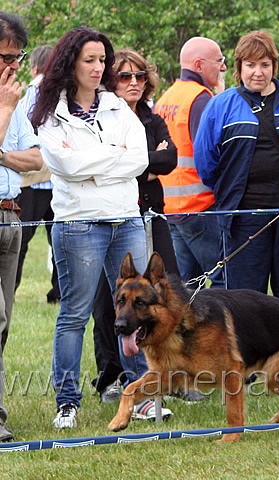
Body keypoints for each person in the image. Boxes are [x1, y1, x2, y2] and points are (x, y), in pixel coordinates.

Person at [31, 27, 170, 428]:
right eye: (89, 60)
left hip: (126, 219)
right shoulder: (49, 111)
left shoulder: (117, 106)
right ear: (69, 62)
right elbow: (67, 167)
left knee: (139, 309)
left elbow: (140, 159)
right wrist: (113, 160)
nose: (98, 68)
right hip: (78, 225)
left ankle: (139, 394)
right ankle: (67, 403)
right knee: (74, 314)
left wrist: (97, 165)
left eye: (102, 60)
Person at [194, 31, 279, 316]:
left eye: (264, 64)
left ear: (274, 65)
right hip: (243, 221)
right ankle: (250, 361)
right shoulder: (220, 106)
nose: (258, 72)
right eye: (250, 65)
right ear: (238, 68)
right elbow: (206, 164)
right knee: (244, 305)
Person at [90, 49, 180, 404]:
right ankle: (111, 377)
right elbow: (105, 165)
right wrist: (142, 163)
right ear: (111, 80)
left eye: (140, 77)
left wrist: (131, 161)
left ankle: (168, 376)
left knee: (166, 294)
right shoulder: (100, 117)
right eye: (125, 77)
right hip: (112, 218)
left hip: (153, 217)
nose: (134, 83)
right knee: (108, 303)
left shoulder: (152, 118)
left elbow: (169, 159)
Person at [0, 12, 43, 442]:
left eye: (19, 57)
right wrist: (7, 109)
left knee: (6, 322)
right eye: (7, 57)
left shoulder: (15, 101)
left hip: (12, 216)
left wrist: (5, 156)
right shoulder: (10, 102)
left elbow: (37, 160)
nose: (14, 66)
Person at [154, 37, 225, 287]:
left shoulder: (165, 99)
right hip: (201, 208)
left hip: (172, 209)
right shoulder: (201, 98)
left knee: (185, 289)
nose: (223, 67)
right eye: (219, 61)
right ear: (198, 64)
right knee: (223, 282)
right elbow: (212, 154)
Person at [15, 45, 59, 304]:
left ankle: (9, 291)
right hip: (54, 179)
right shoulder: (57, 89)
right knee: (59, 243)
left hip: (33, 180)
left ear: (34, 67)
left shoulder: (34, 89)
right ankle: (58, 293)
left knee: (20, 243)